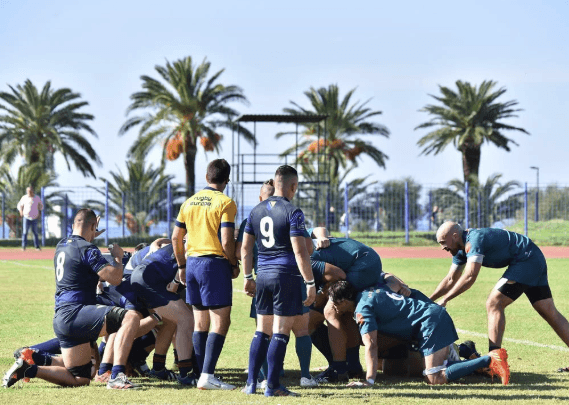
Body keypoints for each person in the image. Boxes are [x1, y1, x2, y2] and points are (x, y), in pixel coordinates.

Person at [2, 209, 141, 389]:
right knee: (132, 317)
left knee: (82, 377)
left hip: (62, 317)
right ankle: (117, 376)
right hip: (77, 313)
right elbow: (114, 278)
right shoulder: (87, 248)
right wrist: (118, 257)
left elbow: (79, 266)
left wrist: (90, 233)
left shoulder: (62, 245)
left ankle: (29, 368)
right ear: (93, 226)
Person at [431, 222, 569, 370]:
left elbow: (470, 276)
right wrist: (429, 300)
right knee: (548, 310)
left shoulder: (474, 240)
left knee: (494, 303)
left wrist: (445, 299)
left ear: (455, 236)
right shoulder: (459, 250)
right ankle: (494, 361)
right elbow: (451, 279)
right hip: (533, 258)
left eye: (443, 242)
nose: (442, 247)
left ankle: (495, 361)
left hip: (526, 259)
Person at [328, 280, 510, 386]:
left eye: (335, 304)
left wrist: (369, 381)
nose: (334, 309)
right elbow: (389, 280)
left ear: (344, 301)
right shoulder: (370, 289)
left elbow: (371, 345)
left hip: (430, 323)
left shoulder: (363, 310)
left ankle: (490, 359)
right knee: (393, 367)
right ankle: (464, 350)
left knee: (434, 377)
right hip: (426, 320)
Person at [241, 165, 316, 397]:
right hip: (286, 277)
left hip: (262, 275)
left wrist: (247, 277)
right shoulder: (294, 212)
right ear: (293, 186)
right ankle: (272, 386)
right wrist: (310, 283)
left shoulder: (255, 211)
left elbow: (245, 248)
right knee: (281, 331)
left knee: (261, 331)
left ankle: (251, 383)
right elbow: (300, 251)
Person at [172, 158, 239, 390]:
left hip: (192, 265)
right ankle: (208, 375)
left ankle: (201, 374)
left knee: (200, 321)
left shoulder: (188, 203)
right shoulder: (226, 202)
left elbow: (175, 238)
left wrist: (181, 266)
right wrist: (233, 263)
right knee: (221, 321)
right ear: (227, 180)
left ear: (207, 177)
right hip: (214, 265)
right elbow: (227, 240)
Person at [131, 241, 196, 385]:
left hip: (142, 276)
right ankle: (185, 374)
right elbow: (186, 253)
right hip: (149, 279)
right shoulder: (195, 237)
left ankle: (158, 369)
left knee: (170, 322)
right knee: (186, 319)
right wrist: (175, 280)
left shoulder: (180, 239)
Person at [17, 186, 43, 251]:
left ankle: (37, 246)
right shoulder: (24, 198)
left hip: (34, 218)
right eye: (28, 191)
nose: (29, 192)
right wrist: (21, 212)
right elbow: (20, 206)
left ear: (32, 191)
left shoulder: (37, 198)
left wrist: (39, 213)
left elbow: (41, 206)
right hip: (26, 217)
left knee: (35, 232)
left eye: (30, 191)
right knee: (25, 232)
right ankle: (23, 247)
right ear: (27, 191)